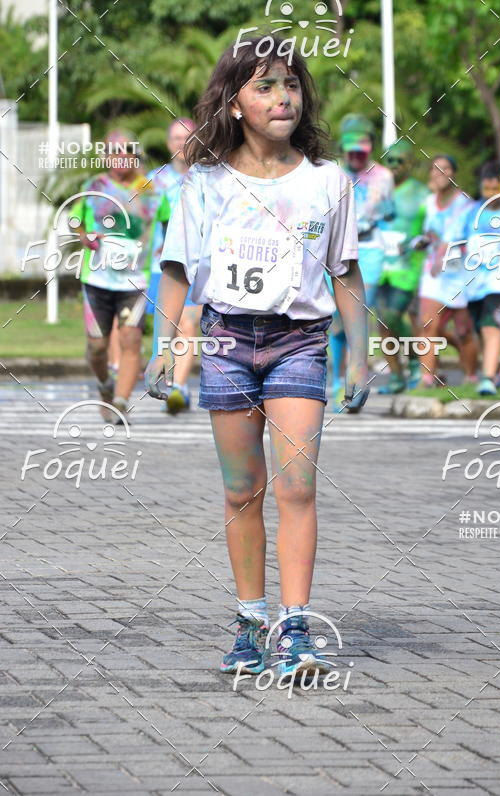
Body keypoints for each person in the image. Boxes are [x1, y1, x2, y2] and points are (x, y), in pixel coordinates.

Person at [145, 37, 369, 679]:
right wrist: (169, 346)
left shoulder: (328, 182)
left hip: (299, 343)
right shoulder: (206, 184)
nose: (282, 98)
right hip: (225, 346)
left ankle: (295, 626)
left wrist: (357, 359)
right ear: (236, 101)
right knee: (243, 490)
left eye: (292, 85)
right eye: (265, 86)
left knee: (297, 486)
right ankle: (250, 623)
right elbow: (175, 269)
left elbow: (346, 273)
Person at [71, 130, 170, 419]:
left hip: (135, 280)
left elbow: (168, 222)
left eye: (128, 150)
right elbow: (75, 219)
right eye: (115, 151)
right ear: (106, 157)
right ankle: (104, 383)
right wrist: (84, 235)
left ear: (136, 155)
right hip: (97, 279)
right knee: (97, 346)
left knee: (130, 339)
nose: (122, 156)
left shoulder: (151, 190)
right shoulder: (95, 186)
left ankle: (120, 402)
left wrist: (165, 246)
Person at [328, 114, 394, 405]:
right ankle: (337, 379)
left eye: (362, 149)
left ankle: (358, 375)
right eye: (351, 150)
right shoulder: (331, 174)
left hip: (370, 250)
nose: (356, 156)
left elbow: (391, 215)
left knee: (359, 312)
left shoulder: (384, 176)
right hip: (336, 252)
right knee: (336, 317)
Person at [147, 117, 201, 414]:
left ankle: (179, 387)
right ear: (169, 144)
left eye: (187, 137)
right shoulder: (153, 181)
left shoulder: (208, 178)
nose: (182, 144)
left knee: (190, 321)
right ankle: (168, 373)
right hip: (162, 268)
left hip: (197, 266)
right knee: (172, 324)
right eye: (177, 138)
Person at [418, 155, 478, 386]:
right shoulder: (429, 202)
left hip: (458, 274)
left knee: (463, 331)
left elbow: (457, 237)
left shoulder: (464, 203)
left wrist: (442, 254)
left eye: (445, 168)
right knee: (428, 326)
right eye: (435, 169)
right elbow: (430, 233)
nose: (439, 173)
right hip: (432, 273)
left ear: (453, 172)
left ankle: (472, 375)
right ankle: (427, 378)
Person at [376, 140, 429, 393]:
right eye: (390, 160)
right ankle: (396, 377)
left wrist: (419, 242)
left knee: (393, 316)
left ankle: (416, 361)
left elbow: (434, 228)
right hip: (378, 265)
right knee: (382, 323)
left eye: (400, 160)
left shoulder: (421, 193)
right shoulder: (375, 189)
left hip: (407, 267)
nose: (394, 165)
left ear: (411, 163)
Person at [459, 160, 500, 396]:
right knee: (480, 326)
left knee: (492, 324)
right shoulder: (471, 211)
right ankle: (494, 368)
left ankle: (488, 377)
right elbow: (459, 242)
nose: (492, 194)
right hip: (474, 283)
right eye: (487, 189)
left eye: (496, 188)